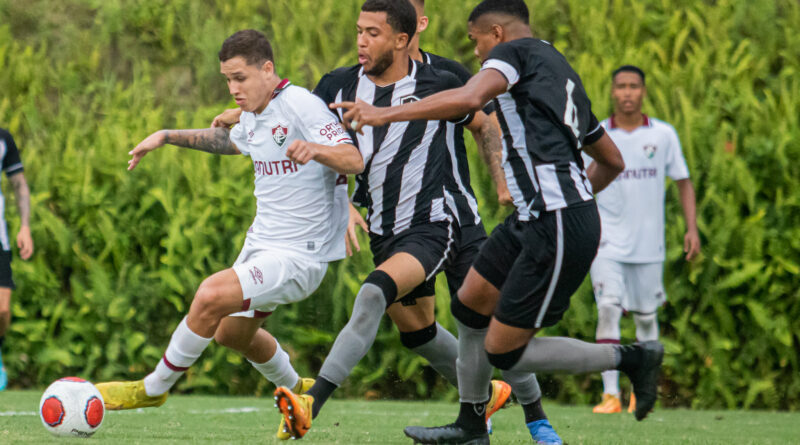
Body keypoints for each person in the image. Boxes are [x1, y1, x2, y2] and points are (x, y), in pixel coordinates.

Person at [332, 1, 664, 443]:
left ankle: (630, 358)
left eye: (476, 41)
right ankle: (471, 424)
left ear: (497, 33)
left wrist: (383, 113)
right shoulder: (557, 68)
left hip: (556, 223)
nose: (476, 54)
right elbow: (612, 160)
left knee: (503, 351)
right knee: (470, 305)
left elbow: (471, 98)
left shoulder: (513, 53)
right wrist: (570, 193)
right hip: (535, 217)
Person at [95, 30, 363, 437]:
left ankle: (152, 389)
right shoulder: (253, 113)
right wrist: (165, 137)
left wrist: (316, 150)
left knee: (209, 296)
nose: (233, 89)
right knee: (230, 333)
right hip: (261, 246)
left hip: (300, 255)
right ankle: (300, 392)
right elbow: (229, 142)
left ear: (267, 69)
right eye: (227, 80)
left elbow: (353, 158)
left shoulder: (301, 105)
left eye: (240, 78)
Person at [269, 0, 512, 440]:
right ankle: (484, 399)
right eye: (358, 31)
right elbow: (299, 125)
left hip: (436, 221)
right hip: (384, 228)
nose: (361, 40)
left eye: (372, 33)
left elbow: (485, 122)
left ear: (404, 36)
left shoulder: (442, 79)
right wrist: (341, 200)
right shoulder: (340, 83)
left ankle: (310, 403)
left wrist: (502, 183)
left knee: (376, 295)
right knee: (418, 332)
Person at [588, 65, 700, 414]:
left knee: (646, 318)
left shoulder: (663, 135)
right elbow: (582, 184)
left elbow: (683, 182)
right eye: (621, 86)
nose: (627, 92)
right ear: (612, 91)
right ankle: (610, 395)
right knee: (608, 309)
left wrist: (692, 228)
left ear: (643, 91)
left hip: (649, 246)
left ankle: (641, 390)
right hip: (606, 242)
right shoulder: (598, 134)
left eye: (634, 86)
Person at [0, 128, 34, 391]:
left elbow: (19, 184)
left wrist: (25, 227)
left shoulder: (4, 139)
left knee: (2, 310)